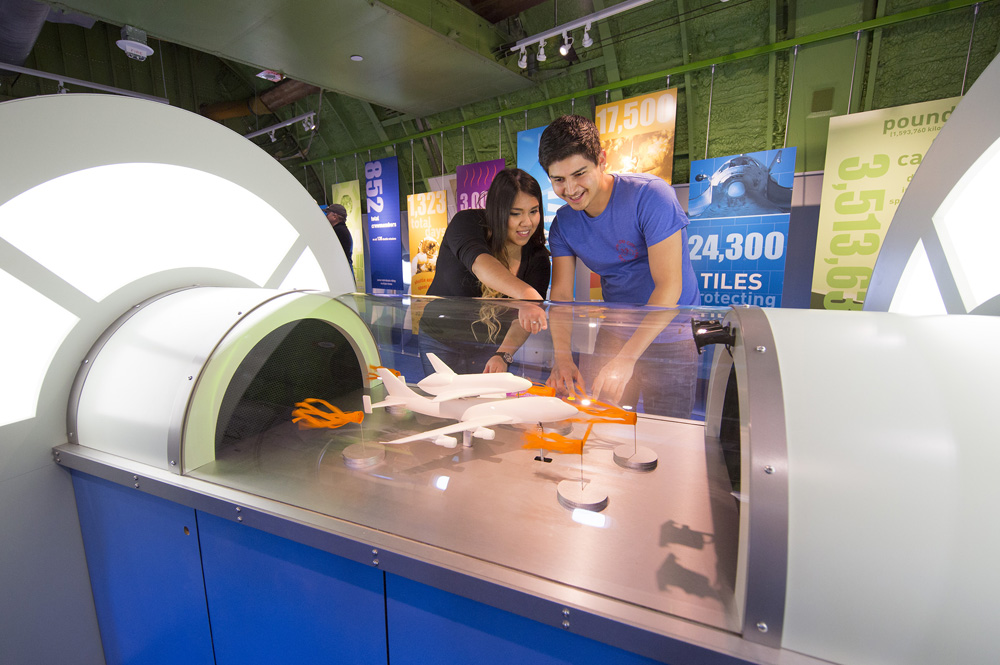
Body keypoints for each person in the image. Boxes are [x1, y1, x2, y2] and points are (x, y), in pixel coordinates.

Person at [538, 114, 701, 417]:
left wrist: (626, 360)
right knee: (600, 421)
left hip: (672, 333)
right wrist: (562, 358)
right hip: (616, 329)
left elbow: (669, 286)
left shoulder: (650, 195)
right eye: (558, 180)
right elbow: (560, 296)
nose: (570, 189)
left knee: (667, 429)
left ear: (601, 160)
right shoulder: (563, 225)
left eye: (579, 174)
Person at [420, 168, 550, 375]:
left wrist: (503, 354)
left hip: (490, 347)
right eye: (515, 213)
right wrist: (527, 295)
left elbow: (522, 320)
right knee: (444, 395)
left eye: (533, 211)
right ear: (497, 211)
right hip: (440, 339)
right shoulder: (466, 222)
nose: (527, 222)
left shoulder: (538, 257)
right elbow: (481, 265)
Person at [325, 203, 354, 273]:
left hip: (341, 272)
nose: (326, 216)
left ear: (335, 217)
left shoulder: (338, 231)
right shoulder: (342, 230)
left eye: (328, 214)